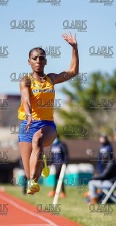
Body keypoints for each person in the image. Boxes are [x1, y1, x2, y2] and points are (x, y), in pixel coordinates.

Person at [17, 32, 79, 195]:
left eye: (42, 58)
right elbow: (25, 99)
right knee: (30, 172)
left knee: (38, 139)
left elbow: (73, 71)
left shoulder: (51, 79)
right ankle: (34, 178)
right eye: (35, 58)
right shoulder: (26, 80)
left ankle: (34, 176)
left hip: (46, 125)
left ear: (46, 61)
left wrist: (74, 48)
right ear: (29, 61)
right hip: (27, 125)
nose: (38, 61)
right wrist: (29, 114)